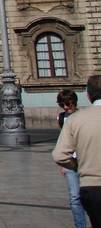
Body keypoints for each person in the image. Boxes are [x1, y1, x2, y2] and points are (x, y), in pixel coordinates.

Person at [54, 75, 101, 227]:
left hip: (92, 185)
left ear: (88, 96)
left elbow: (59, 155)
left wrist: (78, 166)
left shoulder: (76, 119)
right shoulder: (66, 118)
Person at [56, 89, 86, 228]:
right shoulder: (61, 118)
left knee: (91, 196)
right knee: (74, 197)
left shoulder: (84, 116)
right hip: (71, 162)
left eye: (69, 104)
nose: (66, 108)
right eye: (63, 105)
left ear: (75, 102)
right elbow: (62, 141)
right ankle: (80, 225)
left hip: (86, 160)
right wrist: (63, 164)